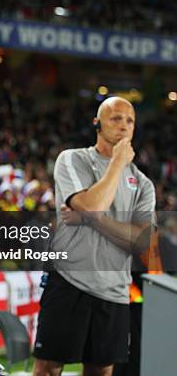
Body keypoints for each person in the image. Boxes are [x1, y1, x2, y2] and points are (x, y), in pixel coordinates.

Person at [33, 97, 156, 376]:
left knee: (101, 371)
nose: (123, 125)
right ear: (97, 124)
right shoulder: (72, 159)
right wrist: (117, 164)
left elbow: (142, 241)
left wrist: (93, 219)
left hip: (114, 289)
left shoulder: (143, 184)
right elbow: (91, 205)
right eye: (115, 118)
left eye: (130, 120)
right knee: (48, 369)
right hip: (68, 280)